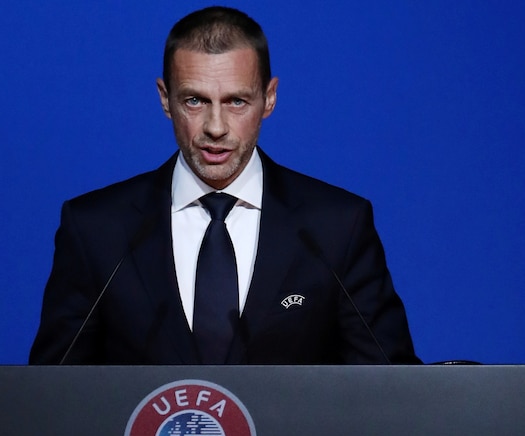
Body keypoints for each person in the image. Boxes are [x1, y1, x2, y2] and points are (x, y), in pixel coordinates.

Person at [29, 6, 420, 365]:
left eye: (236, 102)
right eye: (195, 101)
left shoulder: (337, 227)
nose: (215, 127)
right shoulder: (97, 229)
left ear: (269, 98)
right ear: (165, 99)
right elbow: (52, 401)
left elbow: (390, 391)